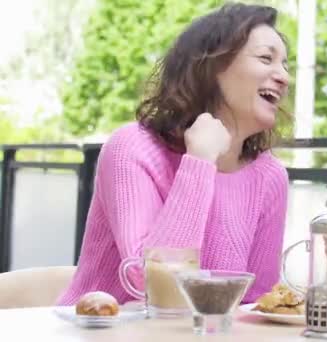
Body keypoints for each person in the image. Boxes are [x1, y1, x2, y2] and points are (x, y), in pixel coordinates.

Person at [57, 3, 290, 305]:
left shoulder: (270, 177)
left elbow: (258, 302)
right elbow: (149, 285)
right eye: (265, 58)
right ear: (212, 66)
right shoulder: (133, 147)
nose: (284, 77)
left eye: (286, 65)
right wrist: (200, 162)